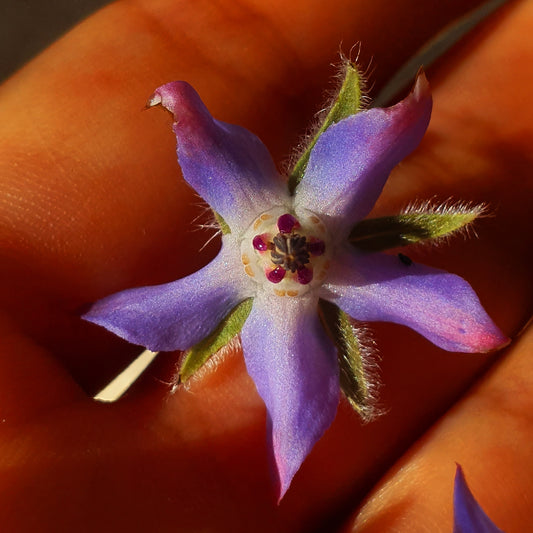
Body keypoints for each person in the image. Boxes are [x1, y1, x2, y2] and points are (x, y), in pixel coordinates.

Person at [0, 0, 530, 530]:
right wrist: (182, 109)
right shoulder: (273, 325)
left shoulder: (346, 215)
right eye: (283, 259)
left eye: (289, 256)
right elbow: (196, 127)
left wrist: (183, 106)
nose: (287, 257)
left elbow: (455, 318)